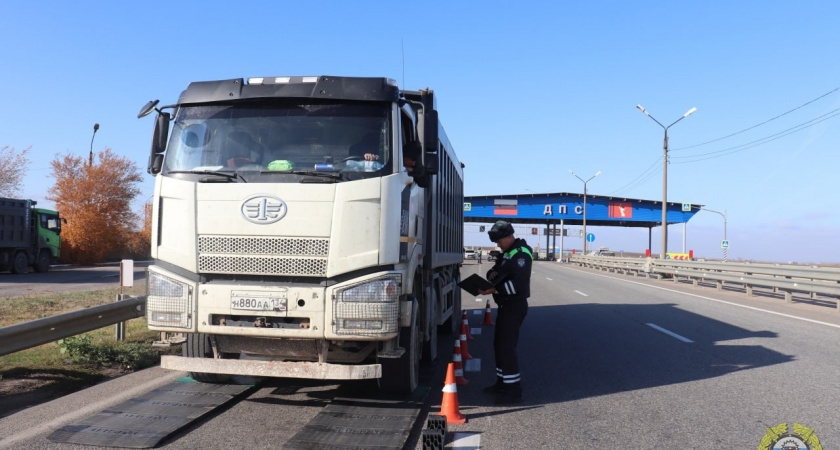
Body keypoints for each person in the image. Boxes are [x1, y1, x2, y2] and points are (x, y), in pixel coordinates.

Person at [478, 220, 532, 404]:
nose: (498, 244)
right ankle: (501, 382)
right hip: (505, 306)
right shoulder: (507, 253)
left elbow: (519, 284)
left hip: (514, 306)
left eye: (500, 240)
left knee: (507, 348)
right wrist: (490, 275)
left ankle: (513, 391)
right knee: (499, 346)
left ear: (509, 236)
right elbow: (496, 270)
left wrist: (494, 290)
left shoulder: (521, 254)